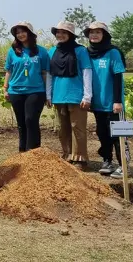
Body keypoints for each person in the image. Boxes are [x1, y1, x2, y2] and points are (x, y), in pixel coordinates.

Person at [47, 21, 93, 168]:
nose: (60, 35)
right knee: (63, 127)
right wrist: (48, 95)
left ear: (71, 35)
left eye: (64, 33)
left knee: (77, 127)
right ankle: (67, 155)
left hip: (76, 95)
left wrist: (87, 96)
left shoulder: (80, 51)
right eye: (58, 33)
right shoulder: (52, 51)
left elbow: (87, 72)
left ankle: (79, 158)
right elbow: (49, 74)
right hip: (59, 95)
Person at [85, 21, 127, 179]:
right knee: (102, 133)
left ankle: (123, 165)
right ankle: (107, 161)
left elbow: (118, 77)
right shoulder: (88, 53)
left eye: (98, 32)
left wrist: (118, 101)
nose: (94, 35)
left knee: (119, 135)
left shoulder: (113, 52)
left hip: (113, 103)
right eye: (91, 32)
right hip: (98, 103)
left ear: (105, 35)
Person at [3, 22, 50, 152]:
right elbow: (9, 71)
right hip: (16, 91)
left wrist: (48, 93)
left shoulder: (42, 51)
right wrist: (5, 89)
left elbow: (45, 73)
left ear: (30, 33)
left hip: (36, 91)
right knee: (21, 122)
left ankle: (34, 152)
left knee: (31, 120)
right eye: (17, 33)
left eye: (23, 31)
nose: (20, 34)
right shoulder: (12, 52)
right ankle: (22, 151)